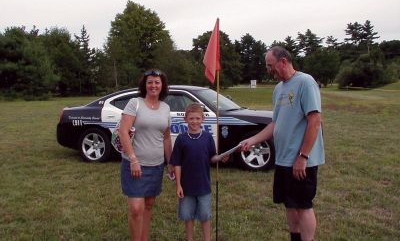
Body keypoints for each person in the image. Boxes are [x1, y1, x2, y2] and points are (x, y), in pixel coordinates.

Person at [241, 46, 325, 241]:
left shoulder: (305, 82)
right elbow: (275, 124)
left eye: (271, 66)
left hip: (302, 161)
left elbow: (315, 121)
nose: (269, 70)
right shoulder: (279, 89)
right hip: (283, 159)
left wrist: (303, 157)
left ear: (283, 62)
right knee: (289, 203)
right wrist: (252, 139)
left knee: (303, 205)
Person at [118, 69, 174, 241]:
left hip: (156, 166)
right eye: (150, 82)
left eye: (157, 82)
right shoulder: (135, 103)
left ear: (162, 85)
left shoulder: (166, 108)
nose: (153, 85)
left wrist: (170, 162)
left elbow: (166, 138)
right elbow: (123, 131)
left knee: (148, 205)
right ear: (144, 85)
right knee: (136, 209)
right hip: (135, 165)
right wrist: (133, 160)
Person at [170, 103, 228, 241]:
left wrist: (220, 158)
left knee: (205, 216)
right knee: (188, 216)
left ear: (203, 119)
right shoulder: (181, 138)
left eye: (197, 118)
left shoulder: (208, 137)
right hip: (186, 187)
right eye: (191, 118)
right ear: (185, 119)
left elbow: (212, 158)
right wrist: (178, 185)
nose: (194, 121)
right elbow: (177, 163)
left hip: (204, 186)